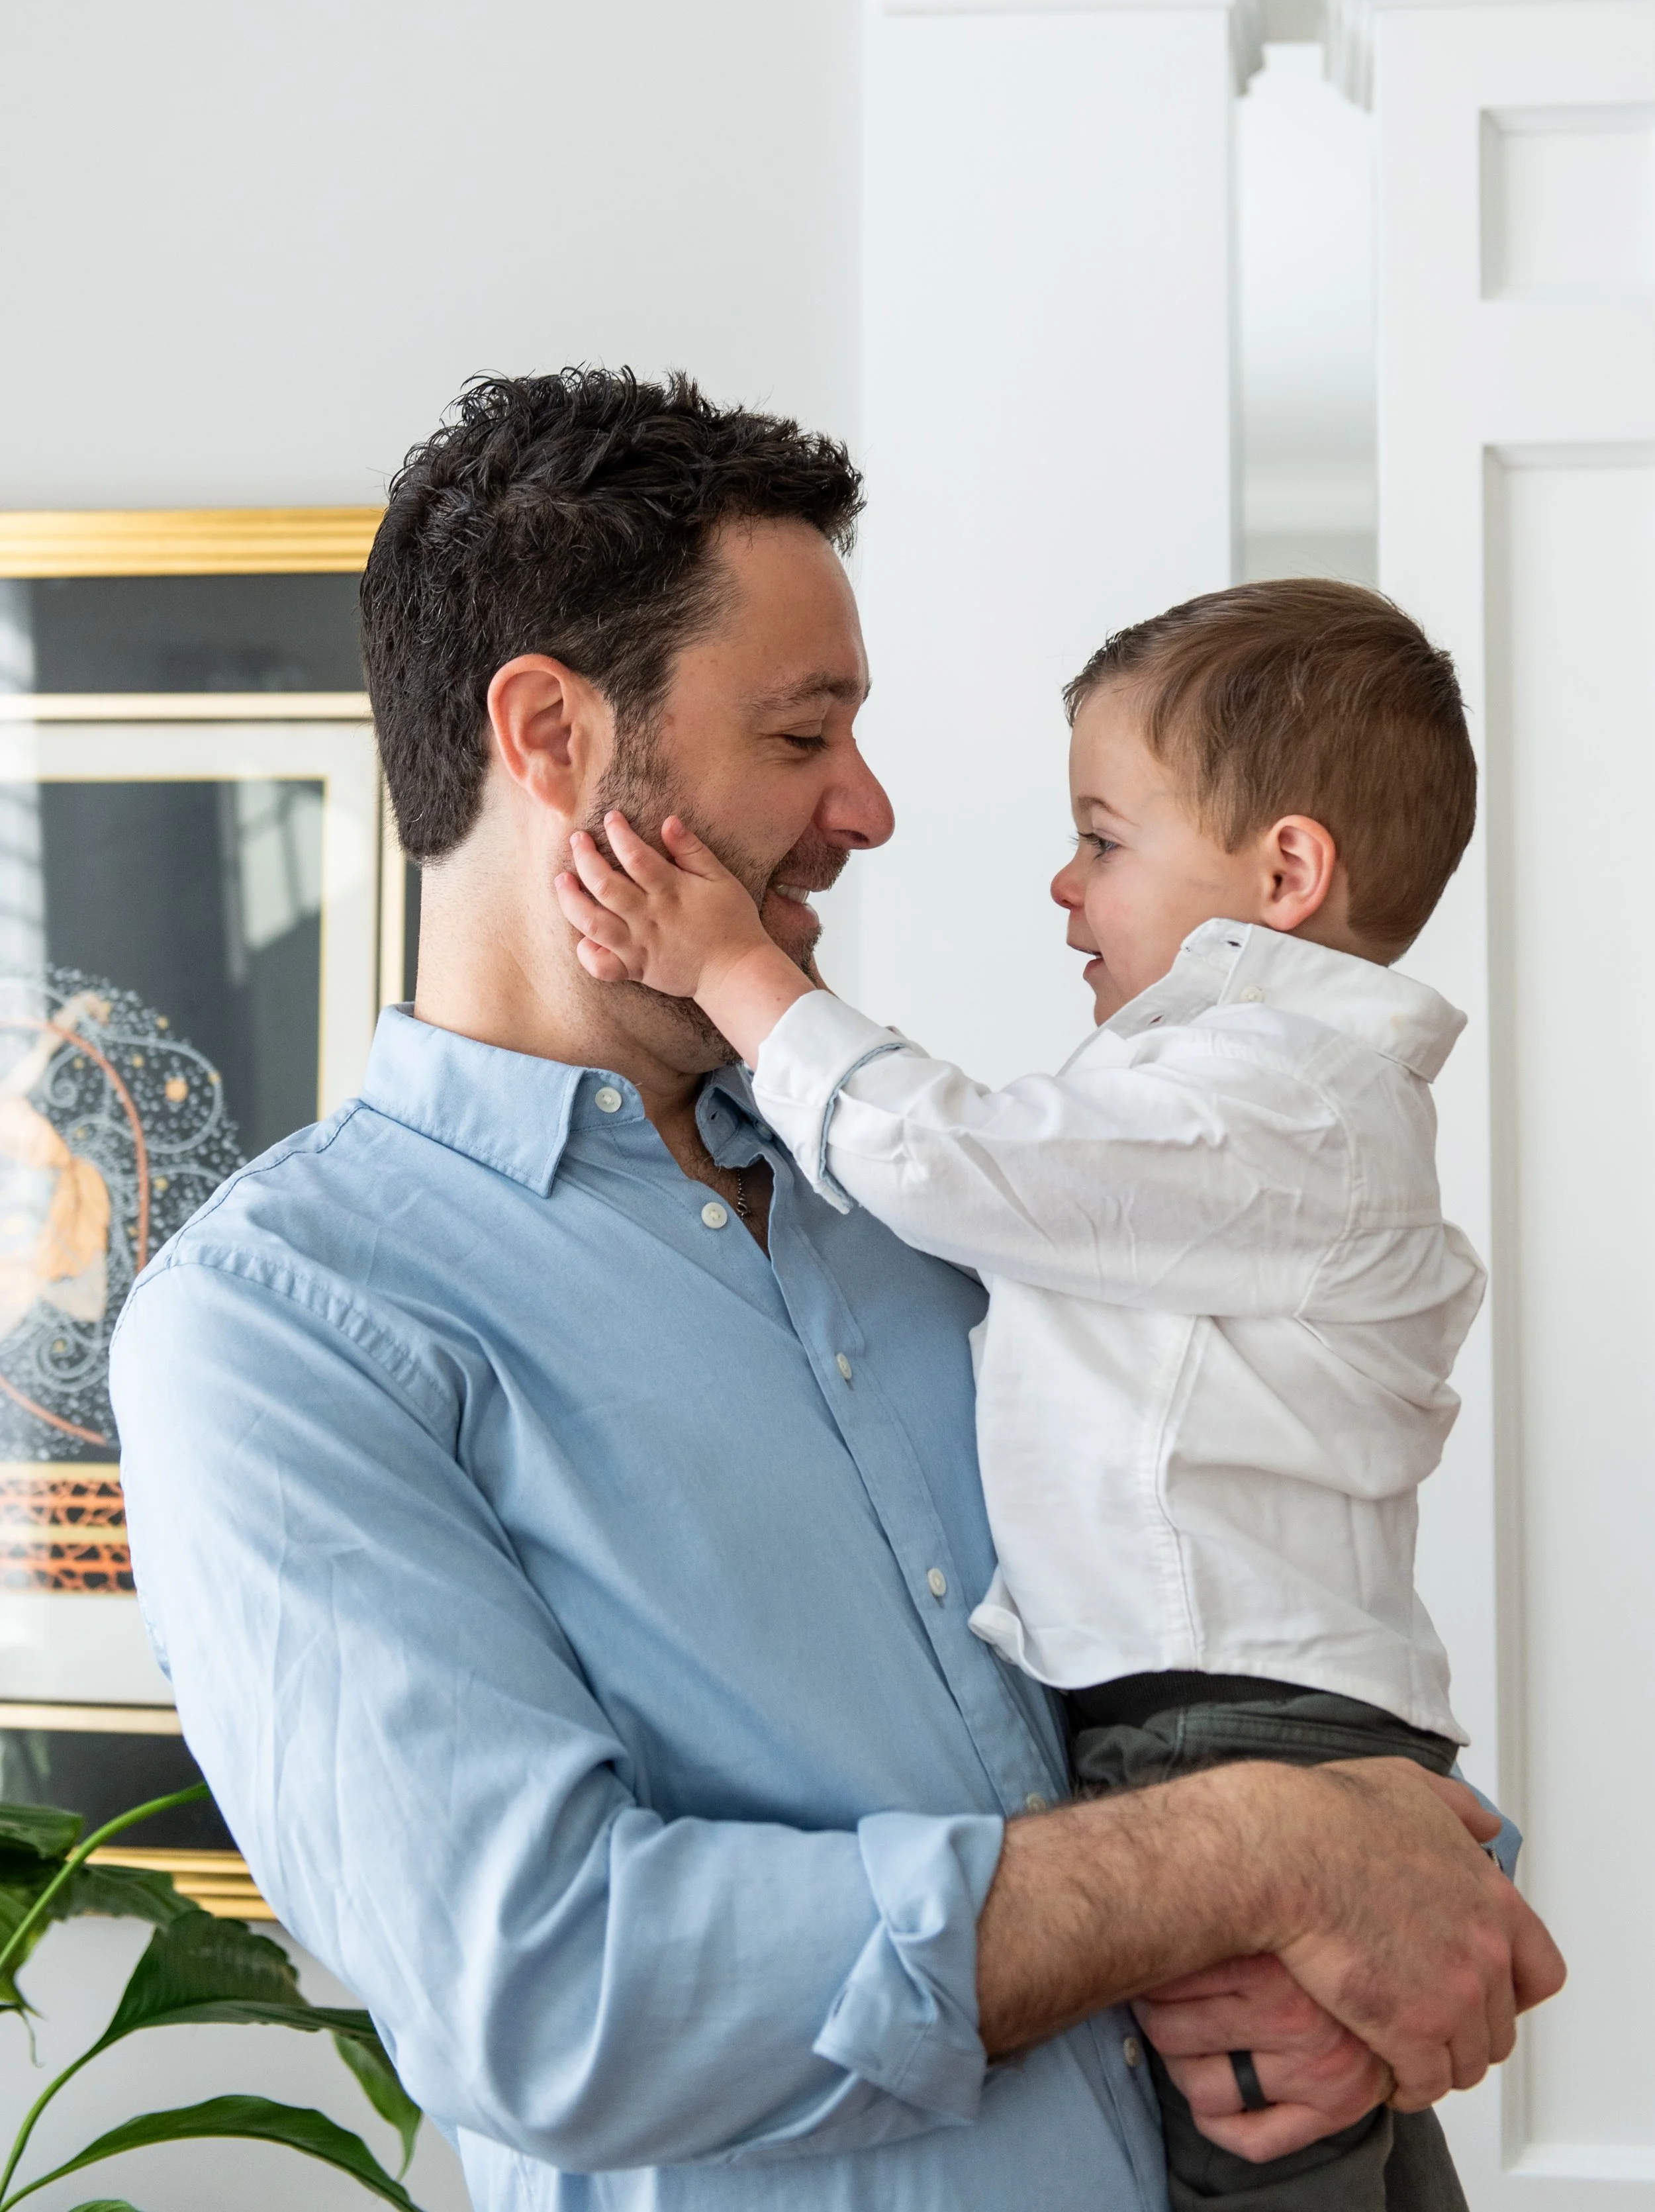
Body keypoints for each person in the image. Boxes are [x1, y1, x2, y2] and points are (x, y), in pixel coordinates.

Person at [109, 373, 1562, 2212]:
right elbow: (552, 1998)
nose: (865, 809)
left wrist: (1397, 1890)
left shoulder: (932, 1199)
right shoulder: (277, 1331)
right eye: (803, 734)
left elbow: (1243, 1570)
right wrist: (1265, 1854)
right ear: (550, 734)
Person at [553, 576, 1495, 2209]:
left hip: (1229, 1732)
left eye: (1103, 841)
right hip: (1229, 1719)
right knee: (1325, 2145)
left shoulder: (1283, 1100)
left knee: (1261, 2150)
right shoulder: (1229, 1097)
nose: (1063, 884)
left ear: (1283, 875)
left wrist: (727, 968)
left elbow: (946, 1157)